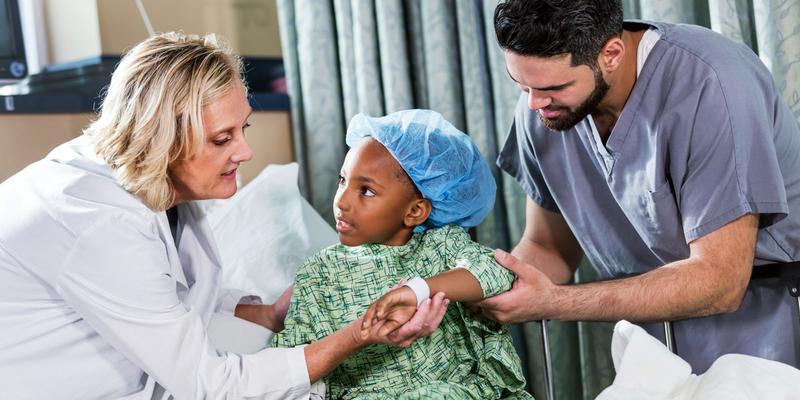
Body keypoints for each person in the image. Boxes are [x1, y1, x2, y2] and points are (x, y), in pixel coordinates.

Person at [0, 33, 447, 399]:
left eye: (243, 128)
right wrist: (357, 336)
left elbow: (170, 287)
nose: (245, 151)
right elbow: (209, 385)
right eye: (221, 139)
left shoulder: (144, 171)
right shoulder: (97, 221)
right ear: (160, 139)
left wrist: (269, 314)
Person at [476, 0, 800, 373]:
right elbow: (548, 249)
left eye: (554, 86)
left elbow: (720, 280)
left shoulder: (712, 83)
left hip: (766, 322)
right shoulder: (542, 106)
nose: (534, 103)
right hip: (652, 339)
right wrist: (469, 293)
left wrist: (552, 302)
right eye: (520, 84)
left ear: (610, 53)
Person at [271, 109, 532, 399]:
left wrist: (417, 290)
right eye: (342, 180)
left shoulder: (441, 247)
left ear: (415, 211)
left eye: (366, 191)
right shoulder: (319, 273)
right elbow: (292, 363)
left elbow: (496, 273)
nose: (341, 201)